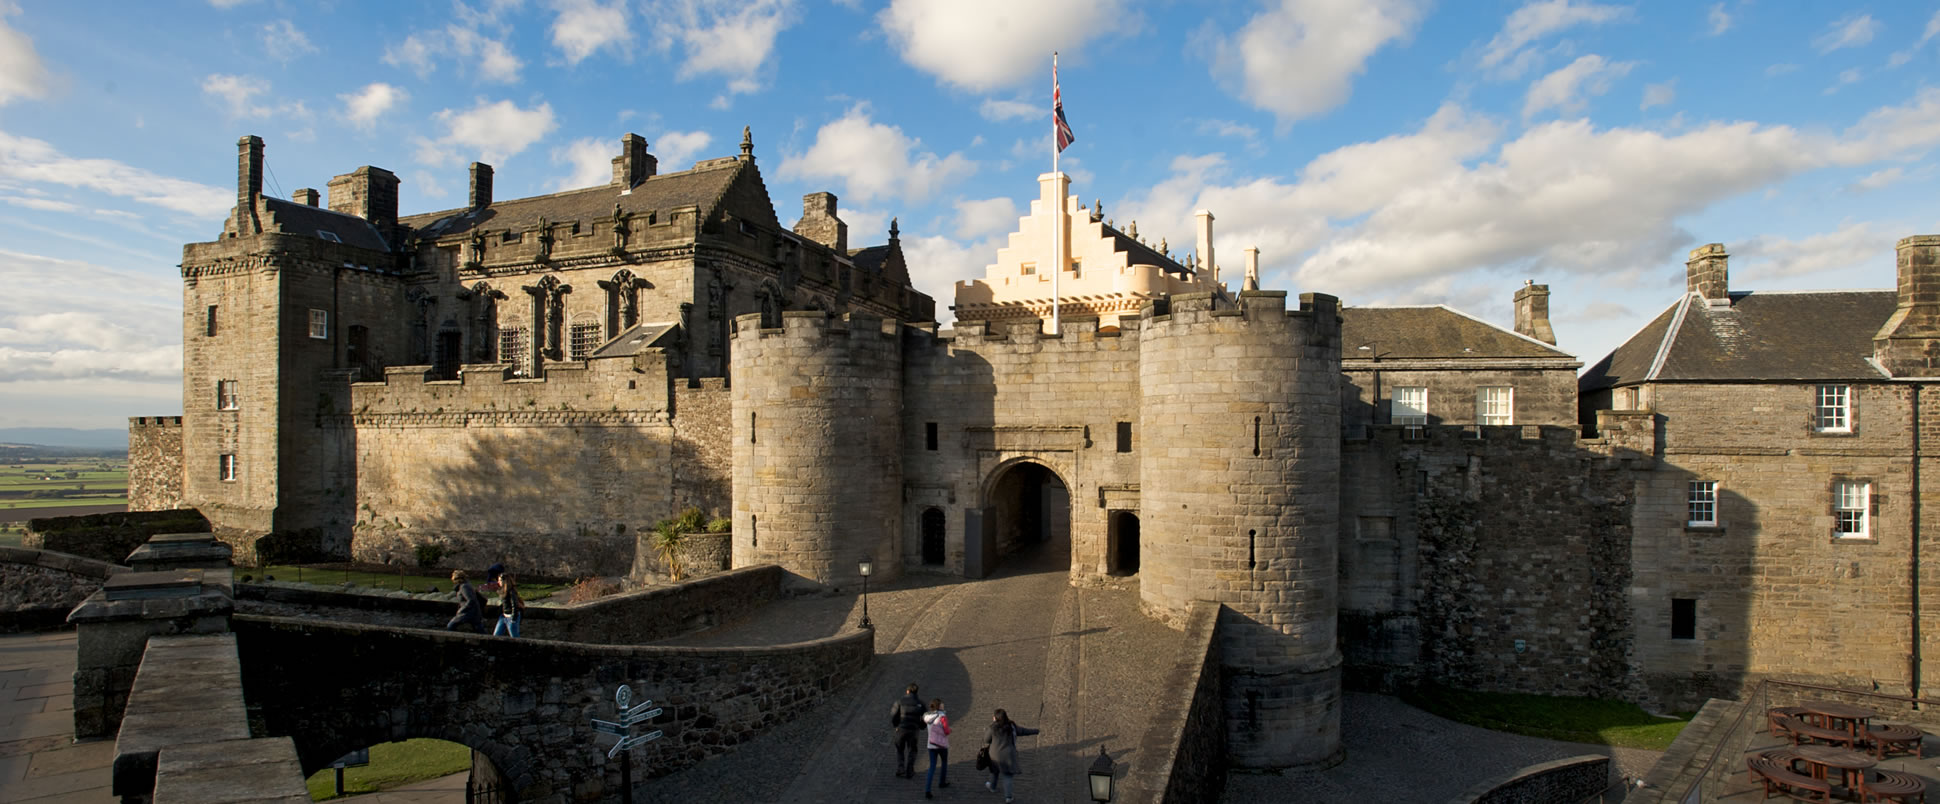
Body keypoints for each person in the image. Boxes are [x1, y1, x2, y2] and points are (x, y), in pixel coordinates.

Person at [983, 708, 1039, 803]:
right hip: (1008, 755)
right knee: (1007, 775)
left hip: (995, 755)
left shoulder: (993, 727)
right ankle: (1008, 797)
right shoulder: (1011, 725)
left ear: (995, 718)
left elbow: (986, 740)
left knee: (994, 771)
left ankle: (992, 787)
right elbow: (1023, 731)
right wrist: (1036, 731)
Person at [890, 682, 926, 779]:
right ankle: (910, 771)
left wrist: (896, 725)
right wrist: (922, 726)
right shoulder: (921, 703)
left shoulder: (899, 701)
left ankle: (900, 768)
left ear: (907, 691)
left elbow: (893, 715)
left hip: (901, 729)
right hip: (914, 731)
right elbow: (925, 718)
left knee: (900, 749)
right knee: (912, 750)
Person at [922, 698, 951, 799]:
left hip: (931, 745)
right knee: (944, 762)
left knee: (932, 767)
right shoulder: (942, 716)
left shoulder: (927, 716)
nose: (943, 706)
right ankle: (942, 782)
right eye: (942, 705)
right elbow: (947, 731)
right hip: (941, 745)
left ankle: (927, 790)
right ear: (939, 706)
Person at [489, 573, 525, 637]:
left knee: (515, 636)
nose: (498, 582)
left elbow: (514, 604)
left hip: (511, 616)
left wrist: (513, 618)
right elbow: (504, 604)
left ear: (504, 581)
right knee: (496, 635)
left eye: (500, 580)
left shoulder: (511, 592)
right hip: (504, 616)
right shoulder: (502, 591)